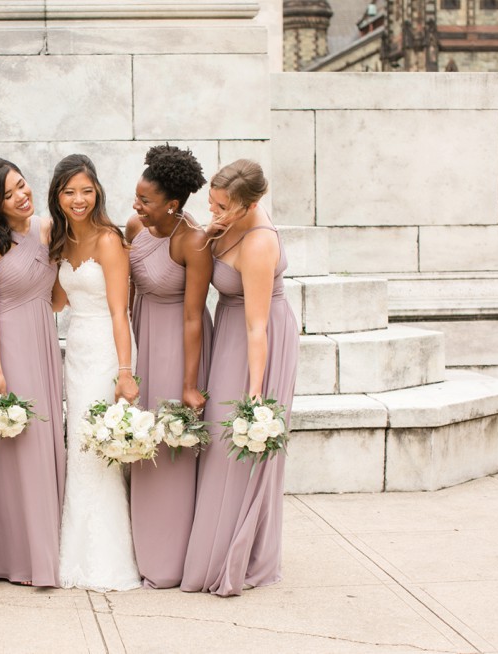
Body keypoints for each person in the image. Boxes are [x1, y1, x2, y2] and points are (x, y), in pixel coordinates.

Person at [181, 159, 299, 596]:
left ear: (250, 205)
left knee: (234, 440)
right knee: (218, 439)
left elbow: (258, 327)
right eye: (211, 202)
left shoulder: (259, 243)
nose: (213, 211)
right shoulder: (227, 222)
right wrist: (211, 232)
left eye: (222, 206)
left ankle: (232, 552)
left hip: (257, 338)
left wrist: (255, 393)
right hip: (231, 329)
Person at [0, 157, 65, 587]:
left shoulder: (45, 229)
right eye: (8, 194)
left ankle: (50, 548)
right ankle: (19, 557)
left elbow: (58, 297)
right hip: (8, 343)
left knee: (46, 441)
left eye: (22, 186)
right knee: (20, 444)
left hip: (42, 337)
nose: (21, 196)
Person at [50, 153, 141, 591]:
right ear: (58, 196)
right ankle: (77, 553)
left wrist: (125, 371)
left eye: (86, 190)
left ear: (98, 192)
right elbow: (55, 302)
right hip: (78, 348)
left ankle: (107, 559)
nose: (78, 199)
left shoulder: (109, 240)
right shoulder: (61, 241)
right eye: (69, 191)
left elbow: (120, 313)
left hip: (107, 347)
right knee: (79, 449)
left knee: (96, 449)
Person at [125, 144, 212, 589]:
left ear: (172, 203)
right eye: (137, 197)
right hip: (144, 336)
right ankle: (140, 548)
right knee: (141, 441)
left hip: (180, 344)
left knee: (170, 443)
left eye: (145, 200)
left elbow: (195, 315)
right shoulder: (136, 227)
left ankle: (170, 558)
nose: (136, 206)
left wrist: (190, 384)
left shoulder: (192, 239)